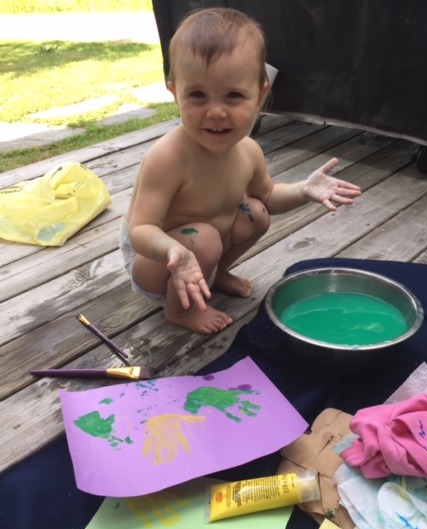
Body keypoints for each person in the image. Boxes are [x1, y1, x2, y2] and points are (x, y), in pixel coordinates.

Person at [121, 7, 362, 335]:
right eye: (197, 95)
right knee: (204, 239)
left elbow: (269, 197)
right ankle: (179, 310)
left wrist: (304, 190)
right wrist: (173, 251)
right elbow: (140, 230)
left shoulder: (248, 152)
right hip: (154, 261)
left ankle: (215, 273)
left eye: (233, 95)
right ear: (175, 93)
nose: (216, 112)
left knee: (256, 213)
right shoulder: (168, 157)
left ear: (260, 95)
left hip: (202, 249)